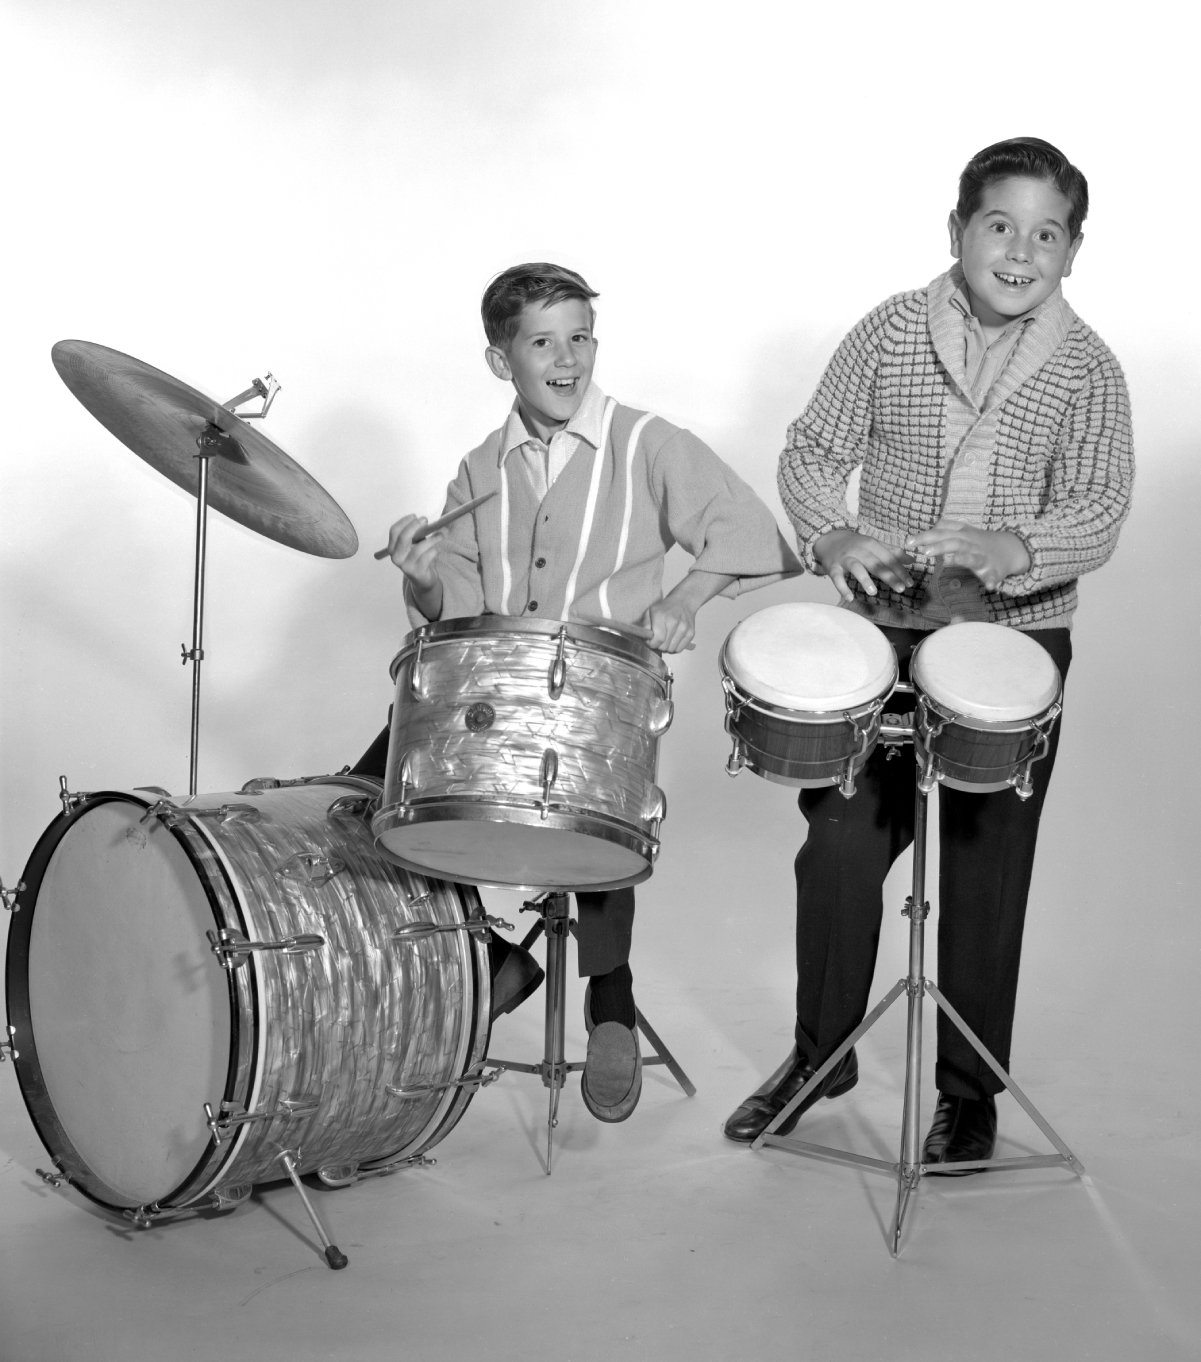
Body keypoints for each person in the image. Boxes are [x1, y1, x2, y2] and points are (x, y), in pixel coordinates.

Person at [723, 138, 1134, 1170]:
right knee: (845, 842)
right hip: (889, 632)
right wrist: (831, 534)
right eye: (1000, 225)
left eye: (1047, 234)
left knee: (987, 867)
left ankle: (968, 1092)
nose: (1020, 250)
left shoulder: (1088, 369)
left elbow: (1099, 505)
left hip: (1012, 641)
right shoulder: (889, 330)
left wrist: (1017, 549)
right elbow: (812, 449)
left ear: (1073, 252)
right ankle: (822, 1056)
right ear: (955, 231)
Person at [358, 262, 801, 1123]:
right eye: (542, 342)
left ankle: (608, 998)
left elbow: (744, 526)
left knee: (591, 802)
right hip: (496, 685)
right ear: (501, 362)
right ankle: (490, 959)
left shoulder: (646, 442)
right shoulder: (480, 467)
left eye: (580, 337)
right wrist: (417, 579)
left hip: (604, 685)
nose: (567, 359)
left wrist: (683, 599)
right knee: (377, 792)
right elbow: (455, 601)